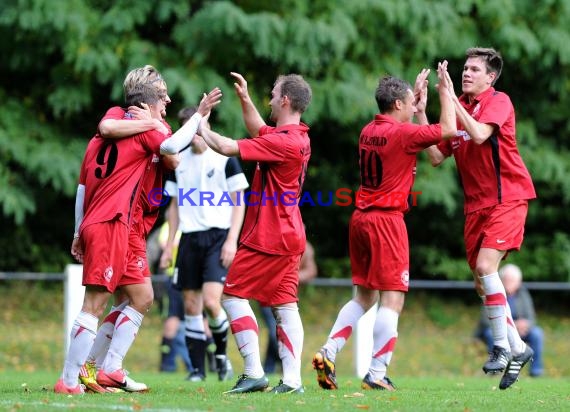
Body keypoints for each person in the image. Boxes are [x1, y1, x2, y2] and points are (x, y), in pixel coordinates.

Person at [56, 66, 221, 394]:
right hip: (113, 222)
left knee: (142, 296)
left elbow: (82, 189)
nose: (169, 101)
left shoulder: (107, 132)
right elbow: (173, 151)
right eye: (163, 96)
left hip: (119, 225)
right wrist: (198, 116)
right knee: (95, 302)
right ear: (148, 101)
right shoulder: (143, 128)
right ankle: (70, 380)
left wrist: (78, 231)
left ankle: (109, 368)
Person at [312, 63, 456, 392]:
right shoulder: (403, 134)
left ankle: (328, 351)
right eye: (408, 102)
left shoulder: (368, 130)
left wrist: (416, 105)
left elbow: (413, 134)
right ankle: (377, 372)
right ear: (398, 105)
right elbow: (447, 129)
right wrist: (443, 92)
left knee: (364, 296)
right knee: (392, 300)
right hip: (387, 221)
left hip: (361, 218)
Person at [426, 47, 537, 390]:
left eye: (474, 69)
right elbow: (433, 155)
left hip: (508, 198)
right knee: (481, 282)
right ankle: (519, 349)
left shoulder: (498, 101)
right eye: (465, 69)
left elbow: (479, 134)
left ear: (490, 77)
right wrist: (419, 111)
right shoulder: (459, 106)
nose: (466, 73)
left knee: (488, 268)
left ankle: (502, 346)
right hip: (475, 208)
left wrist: (450, 99)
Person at [198, 72, 312, 394]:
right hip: (291, 232)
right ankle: (292, 381)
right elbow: (258, 130)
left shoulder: (282, 141)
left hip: (270, 235)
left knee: (231, 293)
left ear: (285, 100)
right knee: (285, 305)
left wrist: (200, 124)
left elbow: (226, 146)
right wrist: (245, 99)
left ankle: (253, 372)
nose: (271, 99)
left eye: (273, 94)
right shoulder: (297, 135)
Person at [160, 106, 249, 382]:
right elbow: (173, 206)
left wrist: (232, 240)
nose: (196, 136)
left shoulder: (224, 158)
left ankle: (221, 356)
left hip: (218, 237)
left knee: (212, 303)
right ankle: (198, 369)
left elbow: (239, 202)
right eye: (191, 131)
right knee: (190, 305)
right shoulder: (178, 162)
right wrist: (169, 245)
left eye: (199, 128)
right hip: (189, 238)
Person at [474, 264, 544, 377]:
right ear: (500, 280)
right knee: (490, 333)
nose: (509, 283)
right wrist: (513, 326)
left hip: (521, 331)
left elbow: (531, 317)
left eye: (512, 280)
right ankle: (497, 368)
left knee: (537, 333)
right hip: (498, 329)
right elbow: (485, 320)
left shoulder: (523, 295)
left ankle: (536, 371)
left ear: (519, 282)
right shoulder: (493, 293)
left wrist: (526, 324)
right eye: (506, 280)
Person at [260, 239, 317, 374]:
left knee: (277, 331)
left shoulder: (307, 248)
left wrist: (289, 278)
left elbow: (311, 270)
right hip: (266, 297)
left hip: (287, 298)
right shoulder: (272, 242)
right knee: (275, 331)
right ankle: (284, 364)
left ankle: (270, 368)